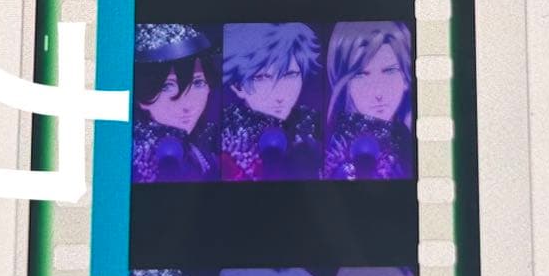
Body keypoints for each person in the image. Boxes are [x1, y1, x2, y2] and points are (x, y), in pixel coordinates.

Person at [222, 22, 322, 181]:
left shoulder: (314, 126)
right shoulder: (225, 140)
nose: (280, 93)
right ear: (237, 85)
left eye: (290, 75)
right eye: (262, 77)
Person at [325, 21, 413, 180]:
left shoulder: (409, 142)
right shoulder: (331, 155)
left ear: (406, 78)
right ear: (345, 84)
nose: (378, 92)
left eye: (389, 71)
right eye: (361, 75)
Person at [132, 24, 220, 183]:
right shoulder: (131, 161)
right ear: (142, 93)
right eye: (167, 86)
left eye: (198, 83)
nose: (187, 104)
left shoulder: (205, 157)